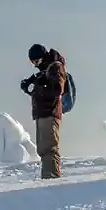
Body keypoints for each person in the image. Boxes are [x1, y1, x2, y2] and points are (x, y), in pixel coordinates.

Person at [20, 43, 67, 179]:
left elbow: (57, 89)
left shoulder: (55, 67)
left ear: (43, 57)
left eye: (36, 61)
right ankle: (48, 178)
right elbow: (43, 93)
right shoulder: (46, 70)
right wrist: (30, 88)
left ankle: (51, 180)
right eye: (33, 62)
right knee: (43, 149)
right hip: (43, 113)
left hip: (50, 113)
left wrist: (37, 86)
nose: (35, 64)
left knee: (49, 148)